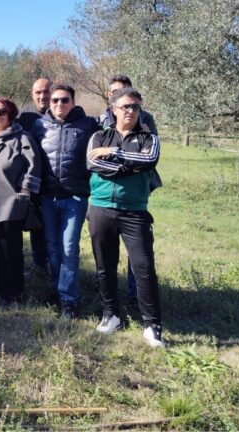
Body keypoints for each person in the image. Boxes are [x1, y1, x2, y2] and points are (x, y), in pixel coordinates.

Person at [87, 87, 164, 348]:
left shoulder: (149, 138)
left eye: (135, 107)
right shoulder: (98, 136)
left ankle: (152, 325)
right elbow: (93, 164)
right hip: (100, 208)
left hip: (135, 211)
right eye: (126, 107)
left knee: (143, 267)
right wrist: (131, 165)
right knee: (104, 266)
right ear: (113, 110)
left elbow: (150, 160)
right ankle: (111, 315)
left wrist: (115, 154)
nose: (130, 111)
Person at [31, 83, 99, 319]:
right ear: (49, 103)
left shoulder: (88, 125)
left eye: (64, 100)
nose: (59, 104)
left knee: (68, 248)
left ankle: (69, 301)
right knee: (52, 247)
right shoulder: (39, 125)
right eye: (55, 100)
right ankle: (58, 290)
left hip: (74, 198)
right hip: (48, 197)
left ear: (73, 101)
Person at [98, 74, 161, 300]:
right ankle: (110, 299)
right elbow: (95, 159)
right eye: (116, 92)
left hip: (135, 190)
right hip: (106, 193)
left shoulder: (145, 119)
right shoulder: (101, 120)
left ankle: (136, 294)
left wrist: (117, 157)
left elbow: (148, 154)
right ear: (109, 96)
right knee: (107, 251)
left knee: (137, 251)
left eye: (125, 90)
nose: (122, 95)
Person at [0, 98, 41, 305]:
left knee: (9, 249)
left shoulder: (22, 137)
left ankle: (12, 292)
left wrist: (24, 191)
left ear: (10, 114)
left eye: (1, 112)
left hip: (10, 202)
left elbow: (34, 165)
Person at [16, 78, 52, 274]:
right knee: (37, 224)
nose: (42, 96)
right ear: (32, 94)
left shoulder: (62, 111)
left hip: (56, 182)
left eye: (46, 91)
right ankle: (40, 263)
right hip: (33, 180)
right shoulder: (25, 117)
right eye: (38, 92)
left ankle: (55, 263)